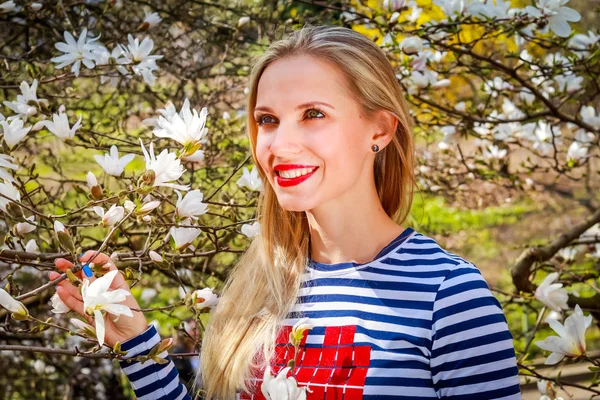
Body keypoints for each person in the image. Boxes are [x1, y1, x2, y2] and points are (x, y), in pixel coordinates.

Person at [50, 25, 522, 400]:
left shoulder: (449, 297)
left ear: (379, 129)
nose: (280, 145)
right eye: (268, 120)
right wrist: (137, 346)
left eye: (313, 114)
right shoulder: (254, 293)